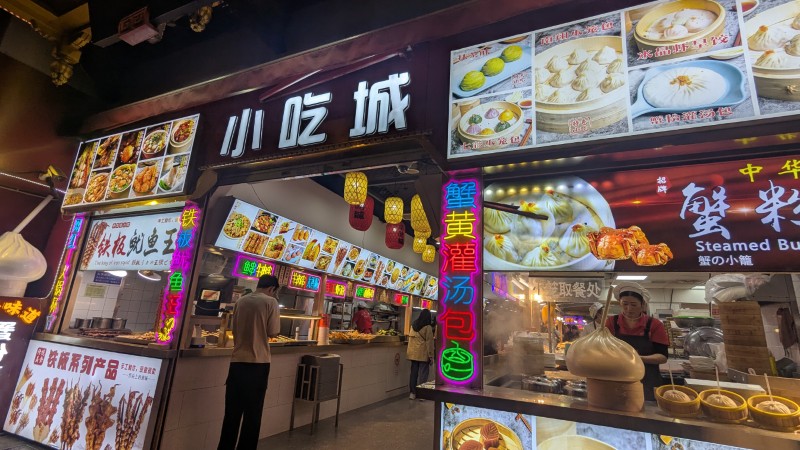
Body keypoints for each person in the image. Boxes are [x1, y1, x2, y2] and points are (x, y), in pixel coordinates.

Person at [218, 275, 281, 450]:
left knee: (231, 414)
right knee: (252, 416)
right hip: (258, 363)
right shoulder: (270, 302)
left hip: (237, 362)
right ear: (272, 289)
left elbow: (234, 328)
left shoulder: (241, 301)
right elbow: (273, 331)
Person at [604, 282, 669, 401]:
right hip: (618, 376)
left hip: (647, 379)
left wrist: (637, 358)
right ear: (620, 303)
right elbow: (605, 349)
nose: (629, 309)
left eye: (633, 304)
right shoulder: (611, 322)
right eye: (625, 304)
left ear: (643, 304)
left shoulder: (654, 325)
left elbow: (663, 357)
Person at [407, 308, 434, 400]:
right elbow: (430, 342)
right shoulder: (428, 327)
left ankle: (412, 393)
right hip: (423, 354)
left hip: (413, 354)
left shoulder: (413, 325)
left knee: (413, 374)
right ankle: (421, 394)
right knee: (423, 374)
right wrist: (431, 355)